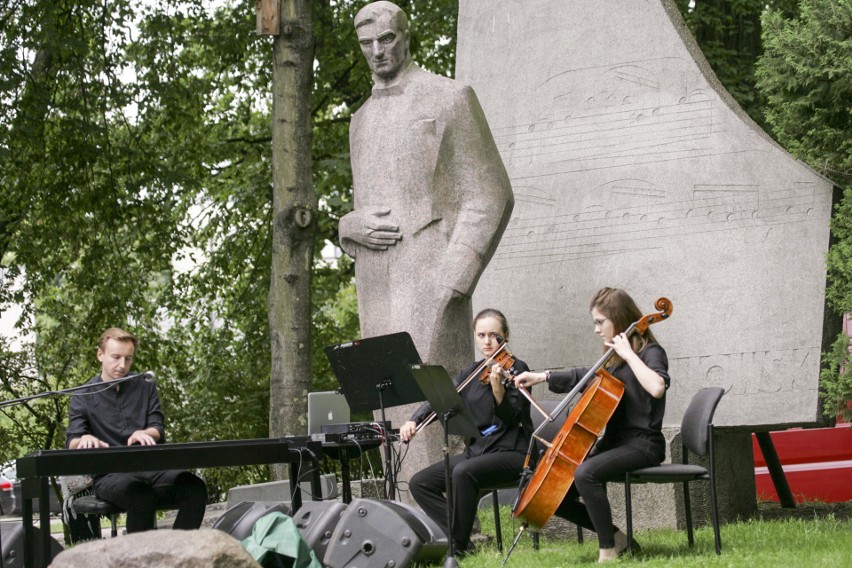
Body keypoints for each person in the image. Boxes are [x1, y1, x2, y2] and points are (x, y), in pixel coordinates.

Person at [339, 1, 514, 487]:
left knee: (436, 403)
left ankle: (449, 519)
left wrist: (452, 280)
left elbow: (490, 193)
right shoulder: (360, 120)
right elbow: (362, 207)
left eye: (387, 39)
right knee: (388, 404)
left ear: (406, 36)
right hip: (377, 284)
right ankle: (403, 523)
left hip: (432, 272)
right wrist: (345, 226)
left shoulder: (449, 98)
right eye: (366, 43)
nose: (377, 51)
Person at [514, 288, 670, 563]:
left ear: (619, 320)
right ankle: (618, 538)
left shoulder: (650, 351)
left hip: (644, 444)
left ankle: (607, 550)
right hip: (616, 443)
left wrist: (629, 354)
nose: (597, 329)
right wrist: (541, 376)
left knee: (586, 473)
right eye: (595, 323)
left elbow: (657, 387)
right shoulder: (613, 358)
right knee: (556, 493)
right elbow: (583, 375)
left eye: (600, 322)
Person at [400, 309, 532, 556]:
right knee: (420, 483)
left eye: (494, 335)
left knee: (462, 471)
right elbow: (441, 399)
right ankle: (464, 543)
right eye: (481, 335)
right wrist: (414, 421)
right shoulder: (471, 372)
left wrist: (497, 388)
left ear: (506, 337)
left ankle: (456, 548)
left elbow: (510, 417)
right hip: (479, 451)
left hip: (512, 452)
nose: (487, 341)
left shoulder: (516, 369)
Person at [66, 327, 207, 533]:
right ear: (100, 355)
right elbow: (72, 441)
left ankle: (177, 552)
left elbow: (157, 427)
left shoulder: (145, 385)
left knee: (195, 487)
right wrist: (84, 439)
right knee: (140, 494)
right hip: (111, 476)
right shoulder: (83, 394)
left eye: (128, 359)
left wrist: (146, 433)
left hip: (152, 468)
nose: (122, 365)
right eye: (116, 357)